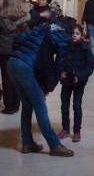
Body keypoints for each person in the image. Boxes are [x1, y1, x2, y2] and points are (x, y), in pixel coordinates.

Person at [7, 11, 74, 157]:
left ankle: (27, 142)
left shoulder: (44, 26)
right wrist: (50, 86)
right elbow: (59, 64)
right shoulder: (62, 34)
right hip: (25, 66)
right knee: (40, 106)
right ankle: (54, 145)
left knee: (27, 104)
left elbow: (20, 39)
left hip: (13, 63)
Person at [0, 0, 30, 114]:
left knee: (6, 78)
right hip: (18, 51)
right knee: (17, 78)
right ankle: (16, 105)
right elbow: (27, 35)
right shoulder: (23, 19)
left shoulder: (1, 18)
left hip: (4, 51)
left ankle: (9, 106)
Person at [57, 21, 94, 142]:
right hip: (67, 80)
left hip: (78, 82)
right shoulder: (66, 46)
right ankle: (65, 128)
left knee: (77, 105)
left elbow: (90, 67)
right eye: (73, 33)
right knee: (64, 105)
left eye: (77, 33)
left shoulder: (85, 48)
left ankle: (77, 130)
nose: (74, 35)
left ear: (81, 35)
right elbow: (60, 61)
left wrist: (80, 76)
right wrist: (61, 72)